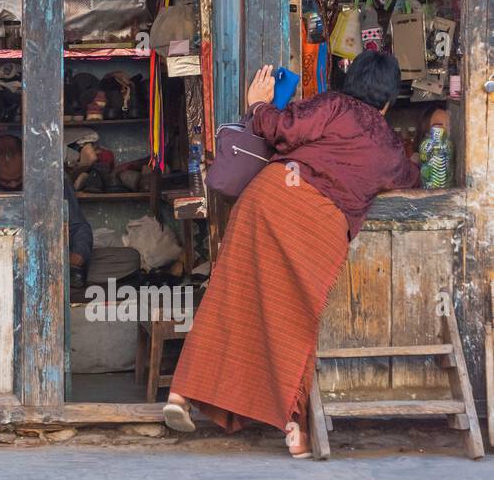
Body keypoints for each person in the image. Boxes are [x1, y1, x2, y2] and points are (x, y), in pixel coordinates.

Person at [163, 51, 420, 457]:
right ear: (389, 100)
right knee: (295, 320)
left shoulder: (333, 104)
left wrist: (259, 104)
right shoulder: (390, 146)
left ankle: (180, 395)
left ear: (347, 81)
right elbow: (410, 179)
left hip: (269, 196)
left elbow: (281, 129)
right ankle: (293, 430)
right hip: (318, 223)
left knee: (229, 297)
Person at [0, 134, 93, 272]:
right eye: (5, 181)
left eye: (18, 179)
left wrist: (79, 255)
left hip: (43, 258)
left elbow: (77, 225)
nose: (12, 185)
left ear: (27, 162)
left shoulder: (51, 179)